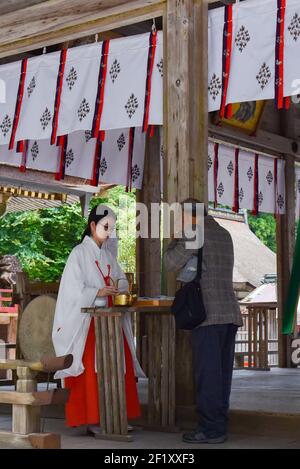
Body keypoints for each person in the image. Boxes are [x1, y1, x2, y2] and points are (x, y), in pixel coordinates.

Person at [52, 204, 144, 434]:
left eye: (111, 227)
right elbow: (73, 290)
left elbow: (122, 280)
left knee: (118, 365)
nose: (109, 231)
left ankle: (117, 416)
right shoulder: (78, 254)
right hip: (89, 323)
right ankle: (93, 418)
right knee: (94, 369)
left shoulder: (109, 255)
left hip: (110, 320)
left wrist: (117, 286)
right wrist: (96, 292)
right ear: (93, 225)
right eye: (105, 226)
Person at [164, 198, 243, 444]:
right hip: (229, 313)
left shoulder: (193, 233)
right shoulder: (224, 233)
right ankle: (219, 423)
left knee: (207, 375)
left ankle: (211, 430)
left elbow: (169, 262)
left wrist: (175, 237)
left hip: (207, 314)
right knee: (221, 375)